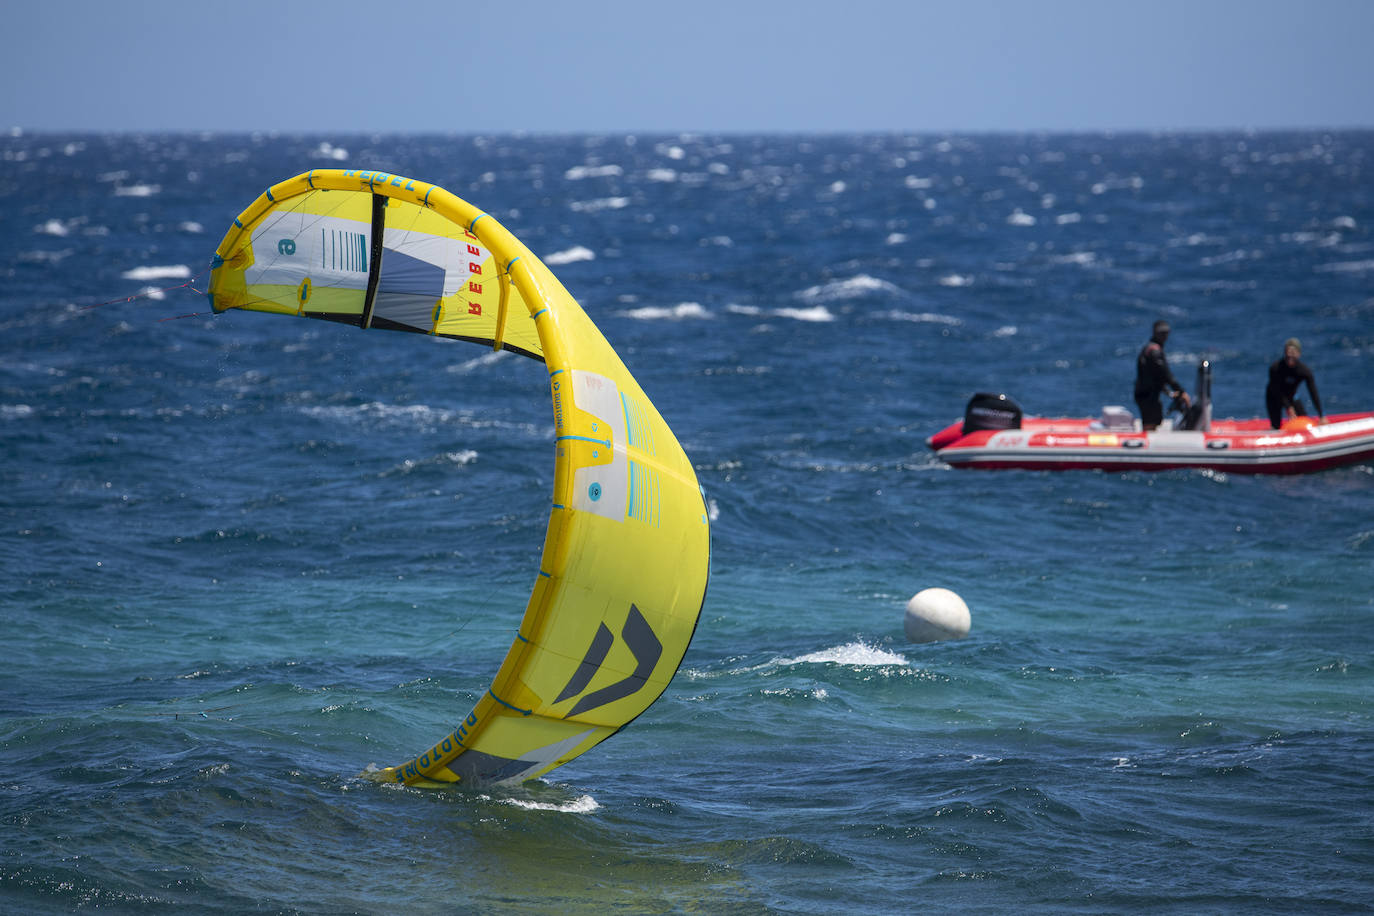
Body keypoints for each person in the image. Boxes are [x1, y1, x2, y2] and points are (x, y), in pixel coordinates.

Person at [1134, 319, 1189, 431]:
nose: (1164, 336)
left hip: (1147, 393)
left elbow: (1156, 375)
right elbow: (1165, 374)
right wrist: (1181, 391)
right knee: (1150, 424)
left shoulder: (1149, 348)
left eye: (1166, 333)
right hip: (1147, 395)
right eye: (1162, 333)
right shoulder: (1154, 352)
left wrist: (1169, 392)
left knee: (1154, 421)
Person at [1265, 337, 1323, 429]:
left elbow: (1313, 392)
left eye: (1293, 354)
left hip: (1291, 396)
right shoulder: (1275, 368)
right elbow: (1276, 390)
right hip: (1274, 396)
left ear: (1299, 354)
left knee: (1303, 419)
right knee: (1276, 426)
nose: (1290, 357)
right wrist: (1288, 407)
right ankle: (1275, 428)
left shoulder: (1304, 371)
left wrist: (1321, 415)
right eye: (1288, 354)